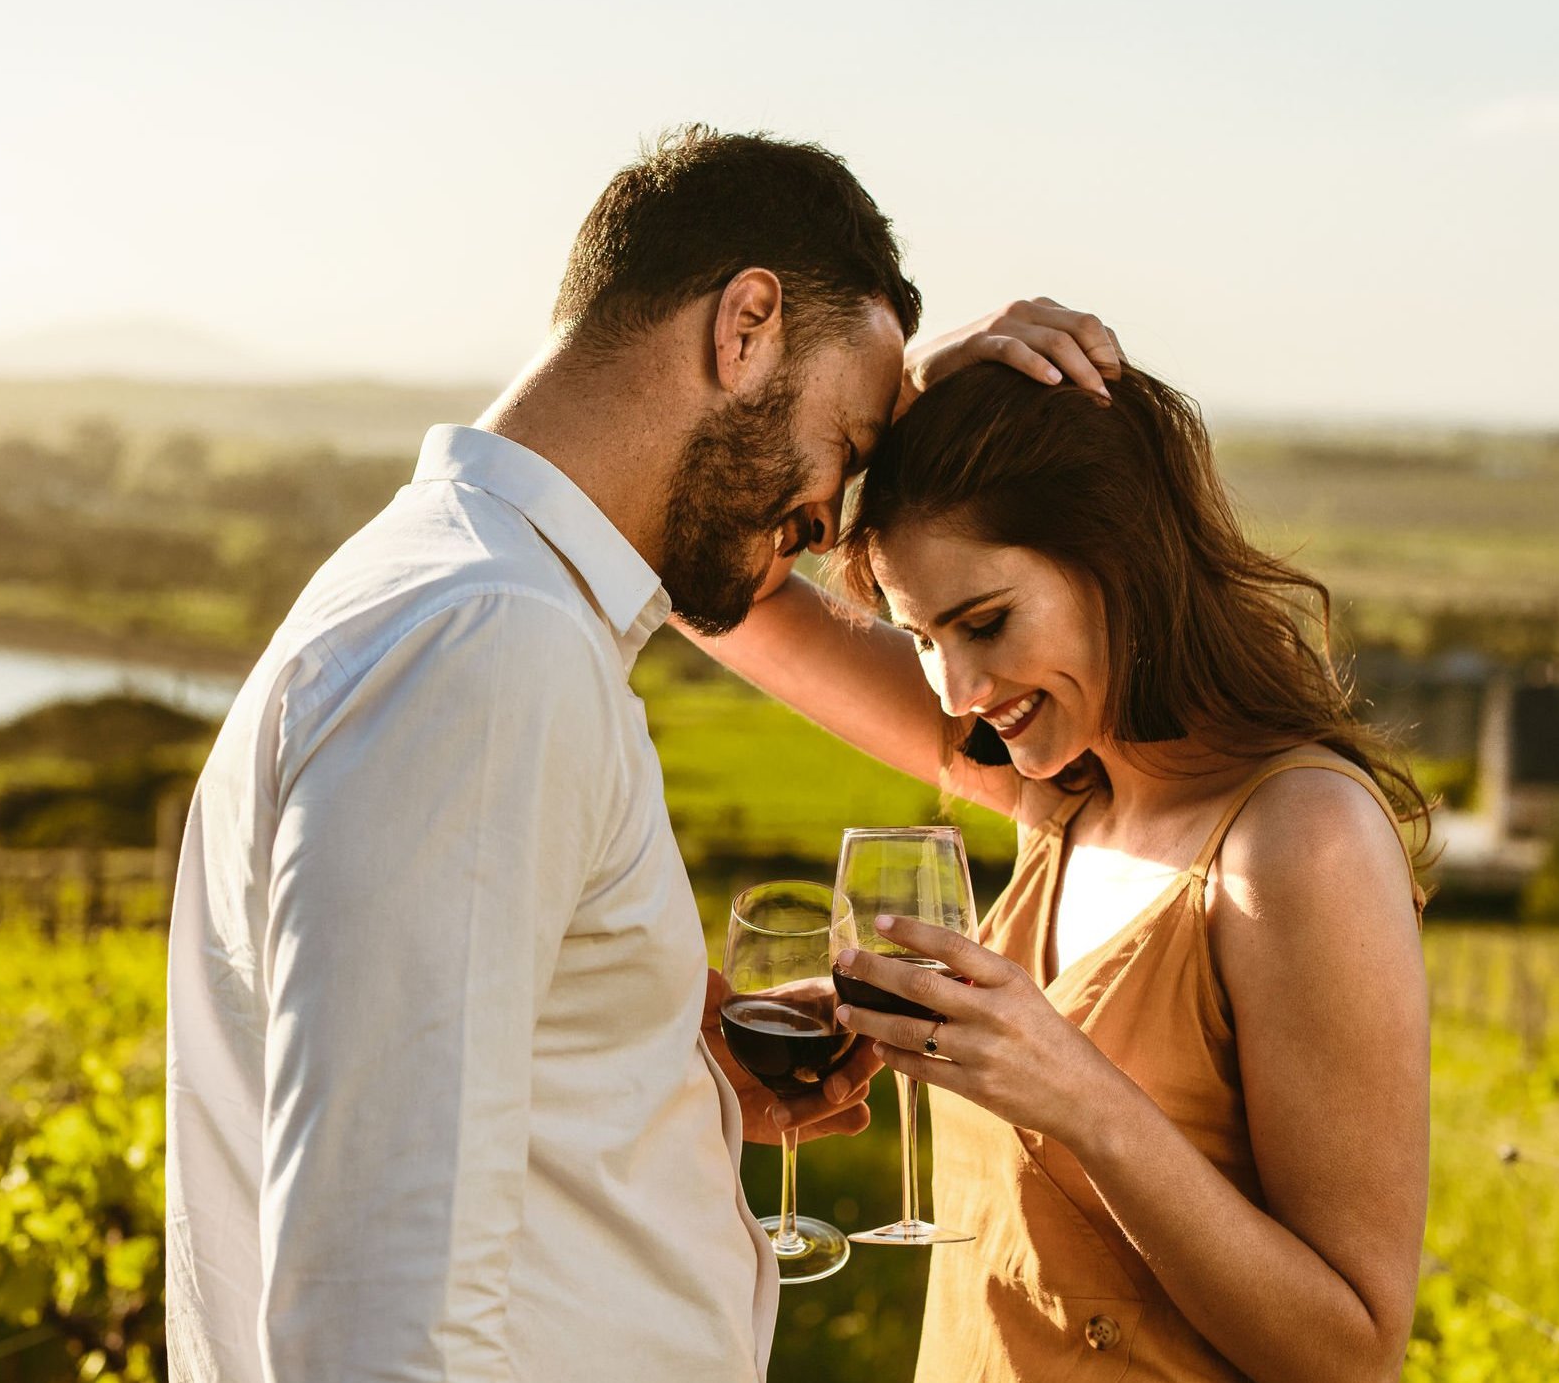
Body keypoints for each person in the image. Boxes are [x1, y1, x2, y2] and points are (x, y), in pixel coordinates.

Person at [162, 125, 1125, 1382]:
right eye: (848, 442)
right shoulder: (491, 643)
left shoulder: (460, 588)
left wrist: (646, 1053)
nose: (833, 514)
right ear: (747, 327)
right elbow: (378, 1300)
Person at [689, 362, 1432, 1382]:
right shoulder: (1068, 793)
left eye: (986, 622)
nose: (957, 691)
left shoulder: (1300, 841)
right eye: (921, 639)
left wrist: (1079, 1095)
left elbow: (1352, 1353)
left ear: (1120, 556)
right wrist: (924, 379)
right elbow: (716, 586)